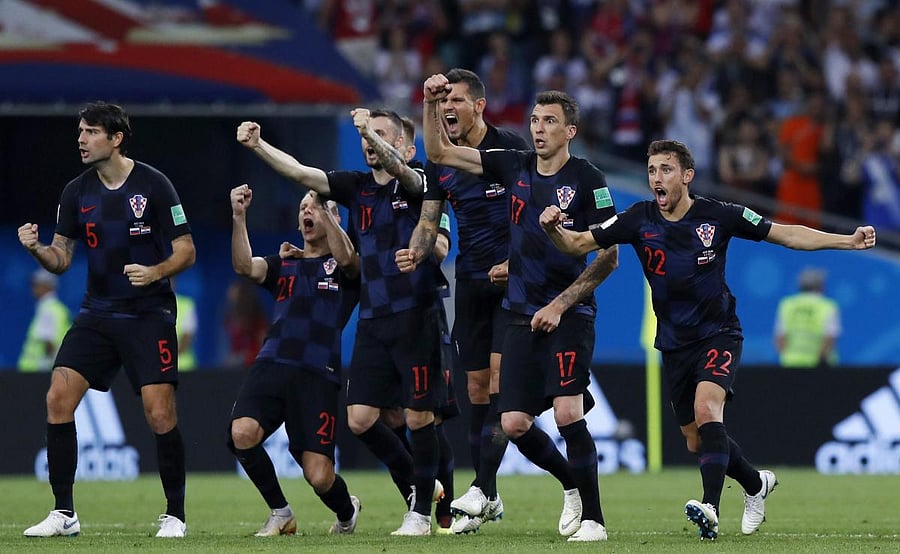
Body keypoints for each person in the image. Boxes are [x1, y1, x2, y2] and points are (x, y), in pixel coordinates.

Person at [538, 139, 877, 540]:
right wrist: (554, 229)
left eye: (665, 169)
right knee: (696, 441)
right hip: (674, 343)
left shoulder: (719, 215)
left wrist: (846, 240)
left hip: (718, 332)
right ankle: (755, 485)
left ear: (687, 175)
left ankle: (710, 507)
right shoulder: (637, 218)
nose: (656, 178)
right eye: (651, 171)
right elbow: (579, 243)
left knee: (707, 407)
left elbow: (785, 235)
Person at [420, 77, 620, 543]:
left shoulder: (589, 179)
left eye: (550, 121)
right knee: (511, 421)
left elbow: (608, 256)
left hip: (570, 313)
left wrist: (560, 303)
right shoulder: (514, 166)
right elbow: (441, 155)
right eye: (534, 120)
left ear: (570, 131)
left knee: (569, 414)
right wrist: (430, 103)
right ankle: (567, 486)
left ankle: (594, 520)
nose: (538, 128)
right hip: (518, 314)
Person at [237, 108, 445, 536]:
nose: (370, 142)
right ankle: (419, 491)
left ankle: (425, 508)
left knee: (422, 418)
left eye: (382, 135)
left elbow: (403, 179)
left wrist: (367, 127)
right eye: (368, 136)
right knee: (360, 419)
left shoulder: (423, 181)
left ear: (406, 146)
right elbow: (300, 173)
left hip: (416, 314)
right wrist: (259, 145)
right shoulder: (356, 187)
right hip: (373, 317)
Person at [18, 101, 196, 538]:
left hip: (148, 313)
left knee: (159, 413)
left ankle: (175, 514)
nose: (81, 139)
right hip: (97, 313)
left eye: (91, 131)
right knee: (58, 396)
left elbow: (186, 250)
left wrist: (154, 272)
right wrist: (39, 250)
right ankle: (64, 513)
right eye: (80, 131)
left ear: (116, 139)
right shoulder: (76, 192)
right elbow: (62, 259)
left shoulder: (154, 185)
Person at [401, 68, 529, 535]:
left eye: (456, 100)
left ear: (479, 105)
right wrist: (416, 249)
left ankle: (479, 489)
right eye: (442, 102)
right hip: (472, 282)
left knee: (497, 378)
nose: (448, 108)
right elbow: (430, 217)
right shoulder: (441, 162)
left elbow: (534, 216)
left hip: (514, 283)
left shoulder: (510, 149)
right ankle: (489, 497)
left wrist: (520, 263)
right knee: (476, 389)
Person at [228, 184, 362, 536]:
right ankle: (280, 511)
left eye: (316, 206)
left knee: (318, 475)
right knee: (242, 432)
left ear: (333, 217)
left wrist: (331, 216)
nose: (307, 211)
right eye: (303, 206)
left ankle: (347, 512)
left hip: (318, 373)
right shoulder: (283, 263)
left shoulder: (347, 268)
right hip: (272, 362)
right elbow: (244, 266)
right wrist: (239, 216)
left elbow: (348, 259)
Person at [775, 268, 841, 368]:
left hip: (791, 364)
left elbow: (780, 337)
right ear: (821, 286)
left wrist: (787, 357)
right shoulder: (827, 306)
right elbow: (830, 337)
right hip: (819, 365)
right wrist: (820, 360)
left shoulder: (787, 305)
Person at [18, 269, 71, 372]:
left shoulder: (48, 309)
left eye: (36, 285)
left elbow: (48, 341)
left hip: (35, 372)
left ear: (46, 286)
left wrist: (45, 368)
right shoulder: (58, 308)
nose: (33, 289)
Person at [171, 278, 197, 371]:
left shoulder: (186, 304)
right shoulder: (153, 306)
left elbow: (187, 338)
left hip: (183, 367)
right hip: (161, 368)